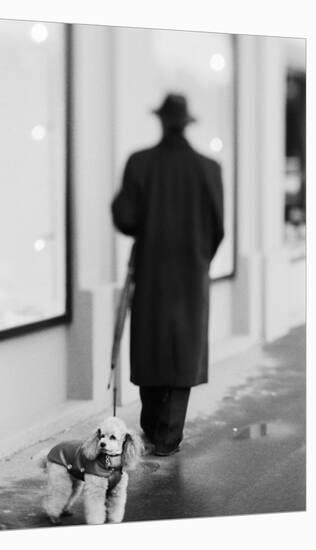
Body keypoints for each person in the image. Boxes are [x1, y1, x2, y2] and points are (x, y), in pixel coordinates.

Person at [111, 93, 224, 456]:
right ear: (187, 123)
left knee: (151, 347)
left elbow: (125, 218)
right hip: (191, 276)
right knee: (183, 349)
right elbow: (218, 227)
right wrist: (199, 259)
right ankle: (168, 437)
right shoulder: (209, 168)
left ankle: (150, 427)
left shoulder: (140, 163)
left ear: (160, 121)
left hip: (151, 271)